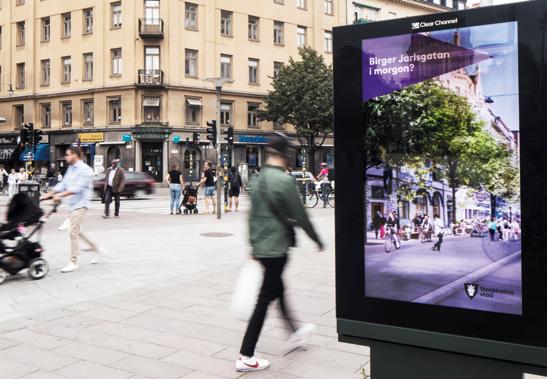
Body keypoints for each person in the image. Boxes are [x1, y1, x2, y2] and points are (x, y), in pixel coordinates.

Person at [236, 132, 323, 373]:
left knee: (278, 289)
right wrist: (317, 239)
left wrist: (253, 246)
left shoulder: (257, 179)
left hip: (262, 247)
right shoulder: (284, 182)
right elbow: (301, 215)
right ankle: (246, 354)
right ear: (286, 155)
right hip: (276, 248)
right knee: (265, 299)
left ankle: (295, 331)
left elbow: (252, 217)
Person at [41, 146, 103, 273]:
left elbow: (77, 188)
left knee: (72, 232)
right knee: (77, 231)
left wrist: (59, 195)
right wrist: (50, 193)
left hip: (81, 204)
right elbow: (64, 183)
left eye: (68, 154)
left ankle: (73, 262)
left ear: (76, 155)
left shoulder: (86, 170)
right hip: (72, 204)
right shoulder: (70, 168)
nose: (66, 157)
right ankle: (96, 248)